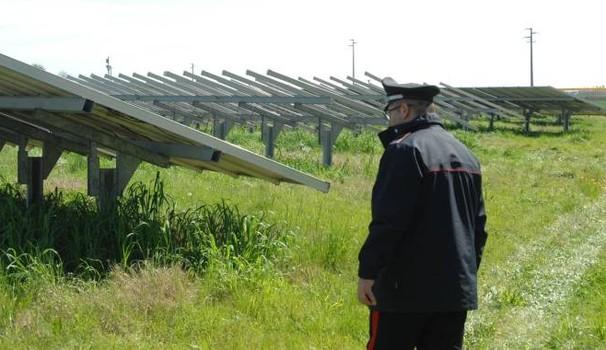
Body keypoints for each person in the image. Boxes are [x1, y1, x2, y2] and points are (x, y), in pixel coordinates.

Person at [357, 78, 488, 349]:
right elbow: (478, 228)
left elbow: (389, 222)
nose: (389, 120)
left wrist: (368, 272)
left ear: (403, 110)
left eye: (389, 112)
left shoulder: (403, 150)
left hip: (402, 293)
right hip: (454, 292)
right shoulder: (466, 155)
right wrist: (462, 275)